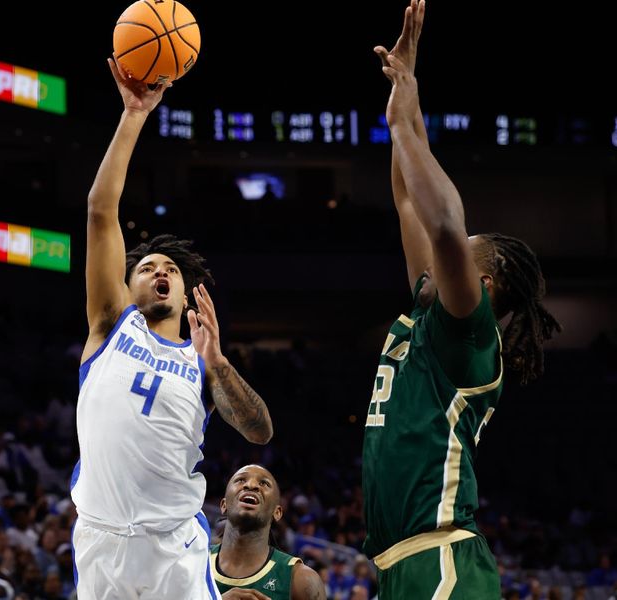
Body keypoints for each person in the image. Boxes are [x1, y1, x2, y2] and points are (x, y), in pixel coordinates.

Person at [362, 1, 562, 598]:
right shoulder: (430, 317)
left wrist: (404, 121)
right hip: (401, 565)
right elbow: (407, 199)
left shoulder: (469, 337)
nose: (442, 252)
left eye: (463, 252)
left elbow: (446, 222)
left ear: (486, 283)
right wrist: (407, 88)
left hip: (442, 559)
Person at [71, 57, 274, 599]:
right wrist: (135, 113)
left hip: (173, 548)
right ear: (128, 286)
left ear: (186, 295)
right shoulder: (111, 327)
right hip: (100, 542)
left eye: (171, 270)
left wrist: (220, 366)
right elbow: (99, 210)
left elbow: (259, 430)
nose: (160, 271)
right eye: (146, 267)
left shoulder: (202, 363)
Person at [210, 465, 324, 600]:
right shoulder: (194, 559)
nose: (251, 485)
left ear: (277, 512)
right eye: (241, 480)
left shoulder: (301, 579)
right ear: (224, 505)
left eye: (263, 483)